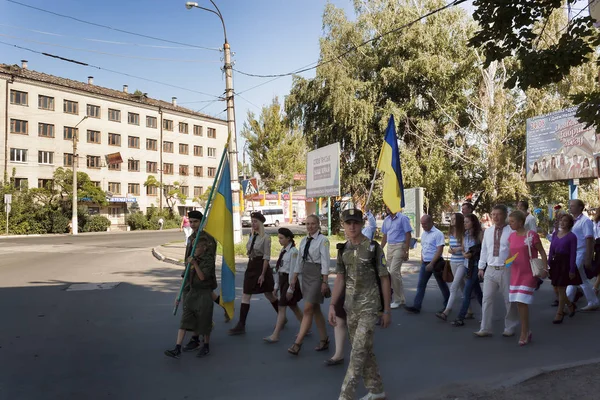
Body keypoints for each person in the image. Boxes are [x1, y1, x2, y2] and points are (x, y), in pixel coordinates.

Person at [329, 209, 392, 400]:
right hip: (351, 308)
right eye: (348, 223)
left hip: (369, 308)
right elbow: (340, 278)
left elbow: (384, 279)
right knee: (365, 350)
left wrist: (387, 310)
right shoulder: (343, 250)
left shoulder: (373, 248)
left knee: (357, 352)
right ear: (344, 226)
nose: (352, 226)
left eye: (355, 222)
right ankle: (376, 389)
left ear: (362, 224)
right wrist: (332, 304)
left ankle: (345, 396)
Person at [164, 210, 217, 359]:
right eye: (191, 222)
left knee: (204, 317)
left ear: (202, 222)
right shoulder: (192, 237)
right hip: (190, 282)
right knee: (188, 315)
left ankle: (204, 344)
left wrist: (194, 263)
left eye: (196, 222)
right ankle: (181, 346)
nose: (193, 224)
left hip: (203, 283)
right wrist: (181, 285)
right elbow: (187, 260)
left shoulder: (208, 240)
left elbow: (208, 265)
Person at [228, 212, 279, 335]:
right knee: (246, 294)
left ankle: (282, 317)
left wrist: (262, 274)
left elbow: (266, 257)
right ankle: (241, 325)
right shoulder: (251, 235)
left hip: (261, 267)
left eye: (255, 221)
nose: (253, 223)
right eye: (252, 221)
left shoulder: (266, 237)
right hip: (251, 266)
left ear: (261, 223)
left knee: (269, 295)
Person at [288, 215, 331, 355]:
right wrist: (294, 278)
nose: (310, 226)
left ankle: (297, 343)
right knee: (315, 308)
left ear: (318, 225)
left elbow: (325, 262)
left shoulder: (323, 240)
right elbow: (299, 261)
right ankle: (324, 339)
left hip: (317, 275)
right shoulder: (303, 240)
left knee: (307, 309)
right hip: (305, 275)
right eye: (308, 224)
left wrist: (325, 281)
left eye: (313, 224)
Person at [474, 204, 519, 338]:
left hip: (506, 270)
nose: (496, 217)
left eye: (499, 214)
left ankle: (510, 326)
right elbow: (484, 250)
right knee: (487, 299)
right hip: (490, 269)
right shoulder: (487, 231)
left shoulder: (511, 231)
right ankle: (485, 328)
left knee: (509, 300)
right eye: (493, 214)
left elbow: (516, 252)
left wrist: (509, 263)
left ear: (505, 215)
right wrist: (481, 267)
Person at [507, 210, 547, 346]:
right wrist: (507, 262)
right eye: (509, 221)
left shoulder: (531, 235)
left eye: (512, 221)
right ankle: (526, 331)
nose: (510, 223)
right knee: (519, 303)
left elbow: (541, 251)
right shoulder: (511, 236)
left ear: (520, 222)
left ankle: (524, 332)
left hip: (529, 273)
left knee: (522, 302)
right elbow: (511, 255)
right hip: (516, 273)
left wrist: (545, 268)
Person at [263, 228, 304, 343]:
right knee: (293, 306)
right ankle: (306, 326)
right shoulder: (283, 251)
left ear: (288, 238)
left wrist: (291, 288)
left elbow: (292, 272)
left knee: (281, 307)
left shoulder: (293, 252)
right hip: (282, 280)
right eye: (278, 238)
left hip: (289, 281)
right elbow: (279, 268)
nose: (279, 240)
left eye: (281, 238)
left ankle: (275, 335)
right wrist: (276, 286)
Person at [405, 215, 449, 314]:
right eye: (422, 224)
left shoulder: (438, 234)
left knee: (442, 284)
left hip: (436, 263)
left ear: (430, 222)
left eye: (424, 224)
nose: (423, 226)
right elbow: (424, 247)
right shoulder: (424, 234)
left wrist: (432, 263)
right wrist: (422, 258)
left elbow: (439, 250)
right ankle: (416, 306)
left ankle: (447, 306)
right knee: (421, 285)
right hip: (425, 263)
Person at [566, 199, 600, 311]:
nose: (570, 207)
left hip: (581, 251)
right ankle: (593, 301)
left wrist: (588, 257)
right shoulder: (573, 221)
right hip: (573, 252)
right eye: (570, 205)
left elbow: (589, 239)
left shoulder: (585, 221)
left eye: (573, 206)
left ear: (580, 207)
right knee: (581, 278)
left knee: (573, 275)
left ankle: (567, 302)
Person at [451, 214, 484, 327]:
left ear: (473, 223)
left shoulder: (479, 234)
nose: (464, 224)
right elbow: (464, 248)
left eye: (467, 222)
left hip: (475, 265)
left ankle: (460, 317)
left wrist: (472, 254)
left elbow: (483, 249)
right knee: (478, 292)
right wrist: (465, 253)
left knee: (467, 291)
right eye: (464, 222)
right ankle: (486, 313)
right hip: (467, 265)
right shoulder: (465, 234)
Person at [548, 213, 580, 323]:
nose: (562, 222)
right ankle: (570, 305)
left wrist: (572, 269)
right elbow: (551, 249)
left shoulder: (572, 236)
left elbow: (573, 254)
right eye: (561, 220)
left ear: (570, 223)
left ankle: (560, 313)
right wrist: (548, 263)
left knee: (561, 289)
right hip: (556, 262)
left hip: (565, 263)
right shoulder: (556, 234)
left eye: (565, 220)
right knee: (556, 288)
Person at [380, 206, 412, 309]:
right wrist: (380, 249)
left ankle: (397, 300)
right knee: (395, 273)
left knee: (393, 271)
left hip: (400, 246)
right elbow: (385, 236)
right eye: (386, 207)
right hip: (390, 247)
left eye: (390, 206)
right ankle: (402, 298)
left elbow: (408, 234)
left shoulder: (403, 218)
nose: (388, 208)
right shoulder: (386, 220)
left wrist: (406, 250)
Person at [436, 213, 465, 321]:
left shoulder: (463, 233)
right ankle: (469, 310)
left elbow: (464, 246)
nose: (452, 221)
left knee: (453, 287)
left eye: (454, 219)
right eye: (451, 219)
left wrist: (457, 249)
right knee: (462, 286)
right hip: (453, 261)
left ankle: (446, 312)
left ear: (459, 220)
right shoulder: (451, 233)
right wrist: (450, 250)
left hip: (462, 262)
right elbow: (449, 248)